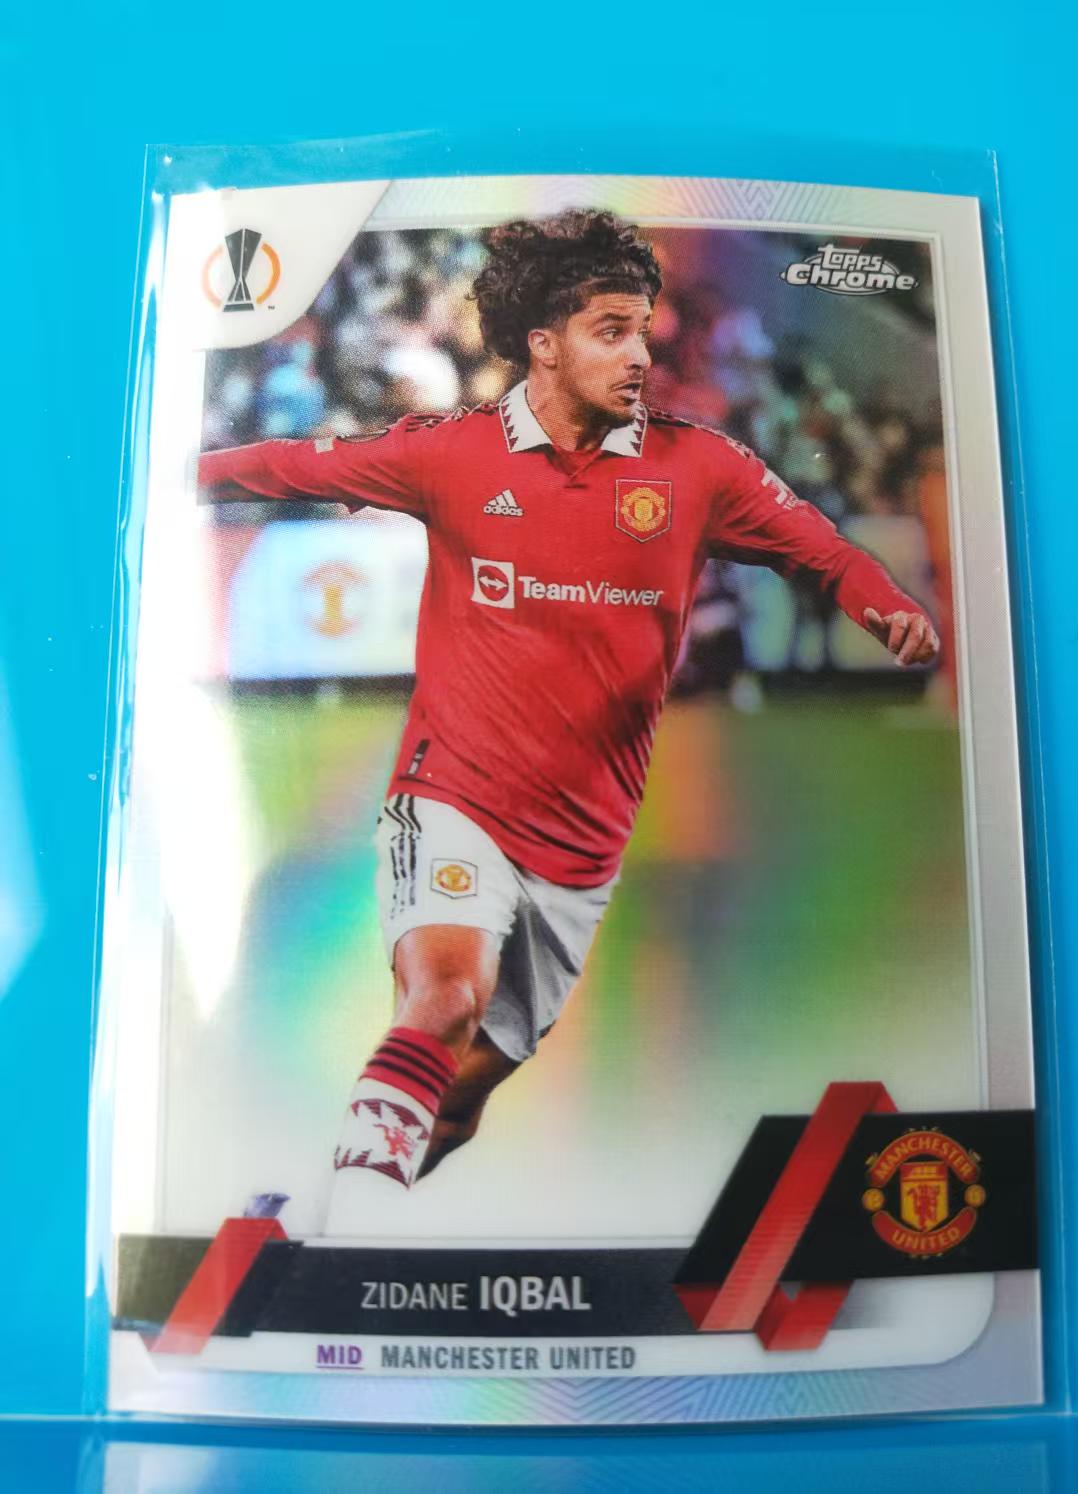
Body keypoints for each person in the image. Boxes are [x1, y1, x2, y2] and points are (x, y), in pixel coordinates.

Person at [197, 210, 939, 1235]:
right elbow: (292, 466)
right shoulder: (454, 453)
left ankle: (327, 1210)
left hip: (583, 846)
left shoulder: (697, 469)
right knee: (444, 1000)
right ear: (543, 343)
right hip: (454, 795)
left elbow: (818, 545)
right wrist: (167, 471)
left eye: (643, 330)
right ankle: (351, 1230)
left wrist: (883, 602)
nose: (640, 356)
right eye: (610, 331)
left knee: (464, 1092)